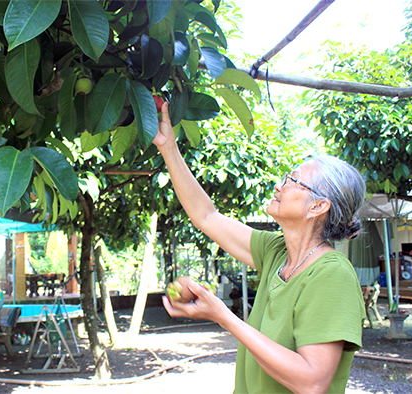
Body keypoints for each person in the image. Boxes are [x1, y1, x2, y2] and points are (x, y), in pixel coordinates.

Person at [154, 102, 366, 394]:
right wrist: (168, 147)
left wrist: (223, 316)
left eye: (293, 181)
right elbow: (206, 216)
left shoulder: (332, 275)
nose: (280, 186)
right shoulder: (277, 252)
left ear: (318, 206)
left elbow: (312, 382)